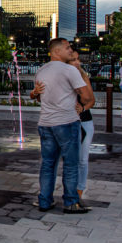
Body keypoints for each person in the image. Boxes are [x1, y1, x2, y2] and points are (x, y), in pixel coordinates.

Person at [30, 38, 94, 214]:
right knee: (71, 163)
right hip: (66, 122)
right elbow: (88, 97)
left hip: (45, 123)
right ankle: (71, 202)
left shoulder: (41, 70)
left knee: (48, 163)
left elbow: (37, 95)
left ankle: (44, 200)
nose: (71, 51)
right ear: (56, 51)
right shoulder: (69, 70)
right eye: (67, 48)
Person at [68, 49, 95, 204]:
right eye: (73, 60)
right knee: (70, 159)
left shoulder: (84, 77)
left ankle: (79, 190)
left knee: (83, 159)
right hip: (67, 122)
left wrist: (83, 108)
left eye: (78, 60)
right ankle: (70, 190)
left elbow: (91, 100)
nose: (77, 63)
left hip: (84, 122)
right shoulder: (63, 77)